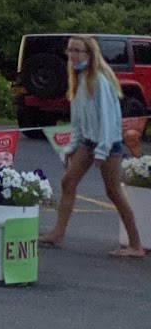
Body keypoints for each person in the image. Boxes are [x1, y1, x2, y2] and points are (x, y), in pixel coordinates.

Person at [40, 35, 145, 257]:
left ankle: (135, 244)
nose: (73, 55)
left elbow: (108, 121)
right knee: (68, 181)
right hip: (88, 142)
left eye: (78, 51)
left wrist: (102, 150)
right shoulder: (78, 80)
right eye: (70, 51)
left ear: (90, 54)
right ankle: (58, 234)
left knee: (114, 191)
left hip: (108, 143)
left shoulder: (99, 81)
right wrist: (71, 147)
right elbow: (78, 121)